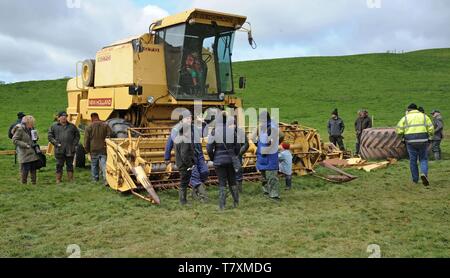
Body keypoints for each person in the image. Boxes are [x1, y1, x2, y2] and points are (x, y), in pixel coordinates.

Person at [165, 112, 209, 202]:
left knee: (205, 172)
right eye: (187, 118)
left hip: (199, 154)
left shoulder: (194, 128)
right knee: (195, 176)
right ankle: (202, 196)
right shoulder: (176, 130)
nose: (190, 120)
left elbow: (204, 133)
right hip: (189, 157)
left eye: (190, 118)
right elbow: (169, 143)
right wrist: (167, 157)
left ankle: (194, 190)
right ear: (182, 120)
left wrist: (203, 124)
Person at [207, 112, 240, 210]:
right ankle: (236, 202)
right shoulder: (231, 131)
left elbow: (209, 148)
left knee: (222, 183)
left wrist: (213, 157)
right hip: (230, 160)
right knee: (232, 181)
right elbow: (237, 146)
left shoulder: (214, 131)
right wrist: (234, 155)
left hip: (219, 161)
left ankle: (222, 205)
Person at [396, 103, 434, 186]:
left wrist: (402, 136)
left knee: (413, 161)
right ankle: (424, 174)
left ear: (409, 110)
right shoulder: (424, 116)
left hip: (410, 141)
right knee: (423, 159)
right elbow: (431, 129)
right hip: (423, 140)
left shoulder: (405, 118)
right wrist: (430, 136)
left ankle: (415, 179)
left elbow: (399, 130)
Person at [253, 111, 281, 200]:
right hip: (263, 155)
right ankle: (267, 192)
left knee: (271, 176)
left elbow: (277, 138)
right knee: (265, 176)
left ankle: (273, 195)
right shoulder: (263, 127)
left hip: (269, 156)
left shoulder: (271, 128)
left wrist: (269, 148)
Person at [48, 111, 80, 183]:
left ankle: (71, 179)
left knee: (70, 165)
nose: (64, 118)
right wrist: (56, 143)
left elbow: (77, 136)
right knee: (59, 165)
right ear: (59, 118)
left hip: (70, 149)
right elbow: (50, 136)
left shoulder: (72, 126)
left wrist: (74, 144)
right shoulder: (54, 126)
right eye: (62, 117)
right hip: (59, 149)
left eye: (65, 116)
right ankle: (58, 179)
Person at [84, 113, 112, 185]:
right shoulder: (105, 125)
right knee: (104, 165)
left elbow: (86, 140)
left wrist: (87, 150)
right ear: (98, 117)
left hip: (93, 149)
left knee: (94, 165)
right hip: (103, 148)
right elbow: (110, 134)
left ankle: (95, 179)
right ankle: (106, 180)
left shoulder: (89, 127)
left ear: (91, 118)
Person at [12, 116, 40, 185]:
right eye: (32, 123)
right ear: (27, 123)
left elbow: (34, 139)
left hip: (32, 151)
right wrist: (25, 145)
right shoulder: (20, 129)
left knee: (33, 168)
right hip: (24, 152)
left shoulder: (32, 129)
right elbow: (15, 140)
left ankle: (34, 183)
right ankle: (24, 184)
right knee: (25, 169)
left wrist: (36, 137)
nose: (33, 124)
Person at [174, 119, 196, 206]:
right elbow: (184, 154)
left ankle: (183, 200)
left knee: (183, 182)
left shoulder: (177, 138)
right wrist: (190, 164)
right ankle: (183, 201)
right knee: (184, 183)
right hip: (185, 165)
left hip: (180, 163)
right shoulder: (185, 140)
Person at [227, 116, 249, 193]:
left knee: (238, 172)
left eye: (234, 124)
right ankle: (230, 190)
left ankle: (239, 190)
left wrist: (239, 152)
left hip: (237, 156)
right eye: (230, 124)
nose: (232, 126)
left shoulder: (240, 132)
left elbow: (246, 144)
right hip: (227, 156)